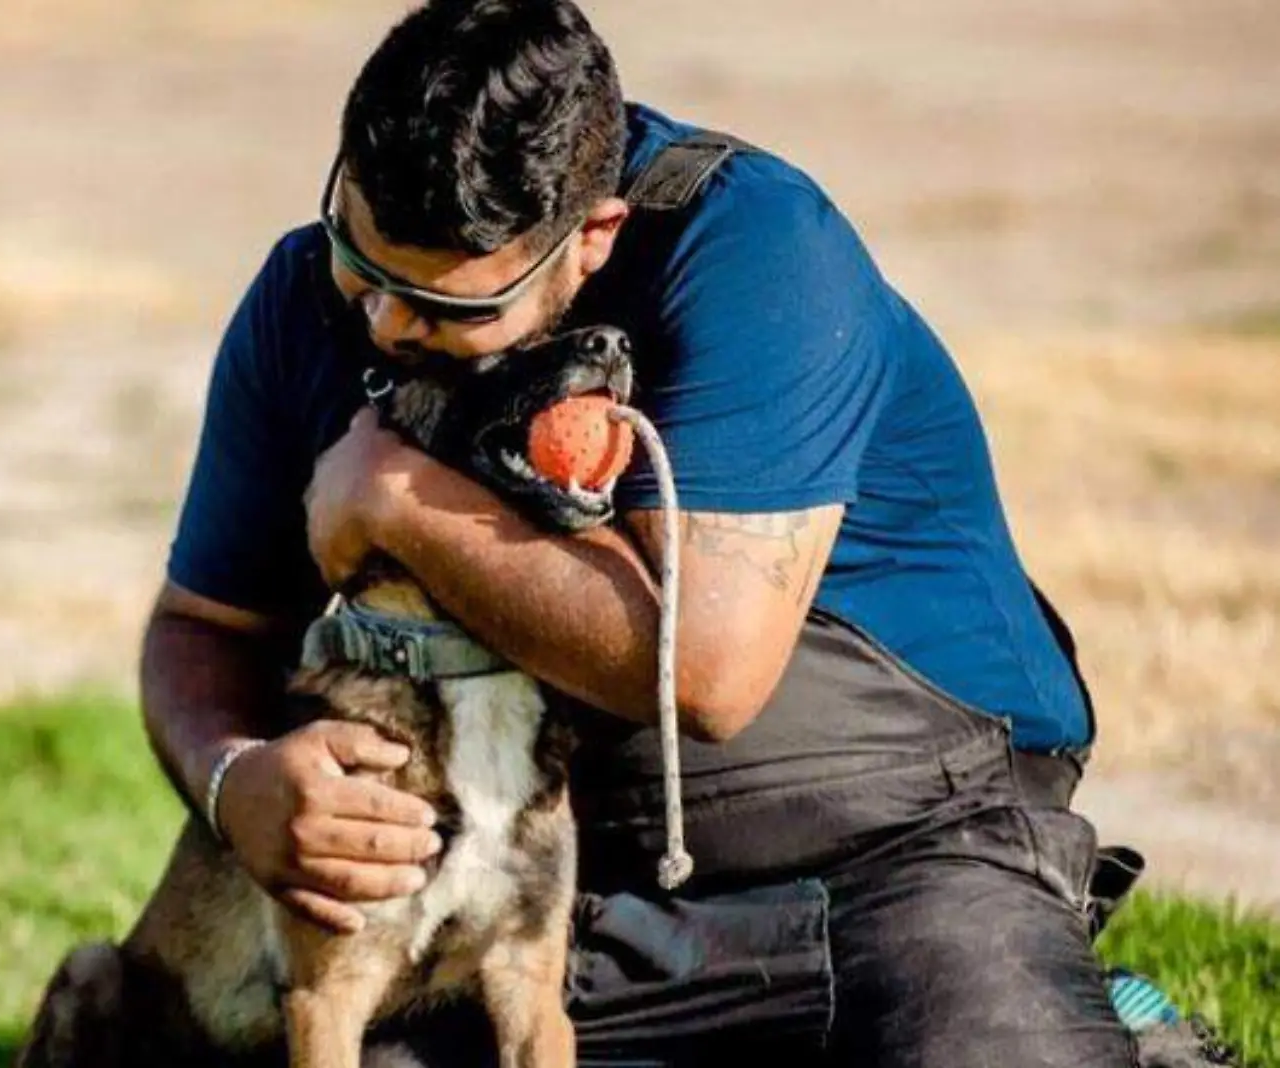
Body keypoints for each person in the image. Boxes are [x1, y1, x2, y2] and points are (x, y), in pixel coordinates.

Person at [140, 0, 1143, 1064]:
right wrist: (231, 777)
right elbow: (204, 623)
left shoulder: (754, 250)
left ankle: (1086, 1004)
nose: (385, 323)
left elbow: (704, 672)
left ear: (593, 240)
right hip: (582, 895)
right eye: (364, 260)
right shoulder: (302, 293)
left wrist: (391, 496)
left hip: (905, 852)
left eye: (446, 306)